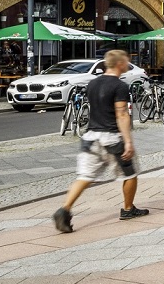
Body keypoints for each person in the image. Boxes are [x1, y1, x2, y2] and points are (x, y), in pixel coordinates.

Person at [53, 49, 144, 233]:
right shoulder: (120, 86)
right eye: (126, 61)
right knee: (130, 174)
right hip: (112, 138)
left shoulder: (92, 84)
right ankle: (128, 209)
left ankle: (64, 209)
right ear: (119, 64)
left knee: (85, 176)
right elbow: (121, 114)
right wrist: (128, 141)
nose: (128, 64)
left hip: (90, 137)